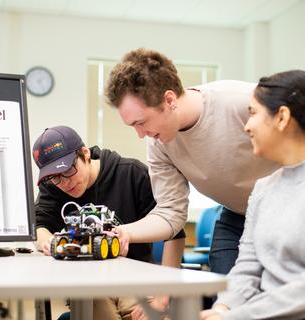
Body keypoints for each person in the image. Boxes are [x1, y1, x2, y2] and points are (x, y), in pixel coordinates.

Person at [104, 48, 280, 275]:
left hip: (288, 210)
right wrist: (126, 232)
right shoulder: (158, 143)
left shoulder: (242, 102)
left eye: (142, 122)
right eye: (133, 126)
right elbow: (171, 212)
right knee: (225, 297)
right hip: (238, 215)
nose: (140, 134)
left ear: (169, 99)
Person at [32, 125, 185, 320]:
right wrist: (47, 241)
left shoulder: (132, 174)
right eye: (54, 178)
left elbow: (175, 233)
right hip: (88, 285)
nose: (65, 183)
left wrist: (162, 297)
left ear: (85, 153)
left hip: (137, 281)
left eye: (68, 171)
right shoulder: (53, 186)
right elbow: (38, 225)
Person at [201, 70, 305, 320]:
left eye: (253, 113)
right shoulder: (263, 189)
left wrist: (234, 317)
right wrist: (221, 309)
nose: (247, 126)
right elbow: (247, 267)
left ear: (281, 117)